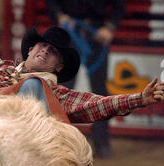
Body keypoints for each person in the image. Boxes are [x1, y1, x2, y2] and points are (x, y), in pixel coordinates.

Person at [0, 26, 164, 150]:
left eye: (53, 52)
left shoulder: (55, 93)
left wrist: (139, 98)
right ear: (31, 48)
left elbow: (96, 105)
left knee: (34, 86)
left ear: (59, 67)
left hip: (8, 120)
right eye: (42, 46)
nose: (45, 50)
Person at [46, 0, 126, 157]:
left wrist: (109, 28)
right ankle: (59, 143)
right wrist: (60, 16)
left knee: (100, 90)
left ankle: (102, 143)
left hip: (97, 33)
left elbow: (119, 5)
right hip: (69, 31)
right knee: (63, 90)